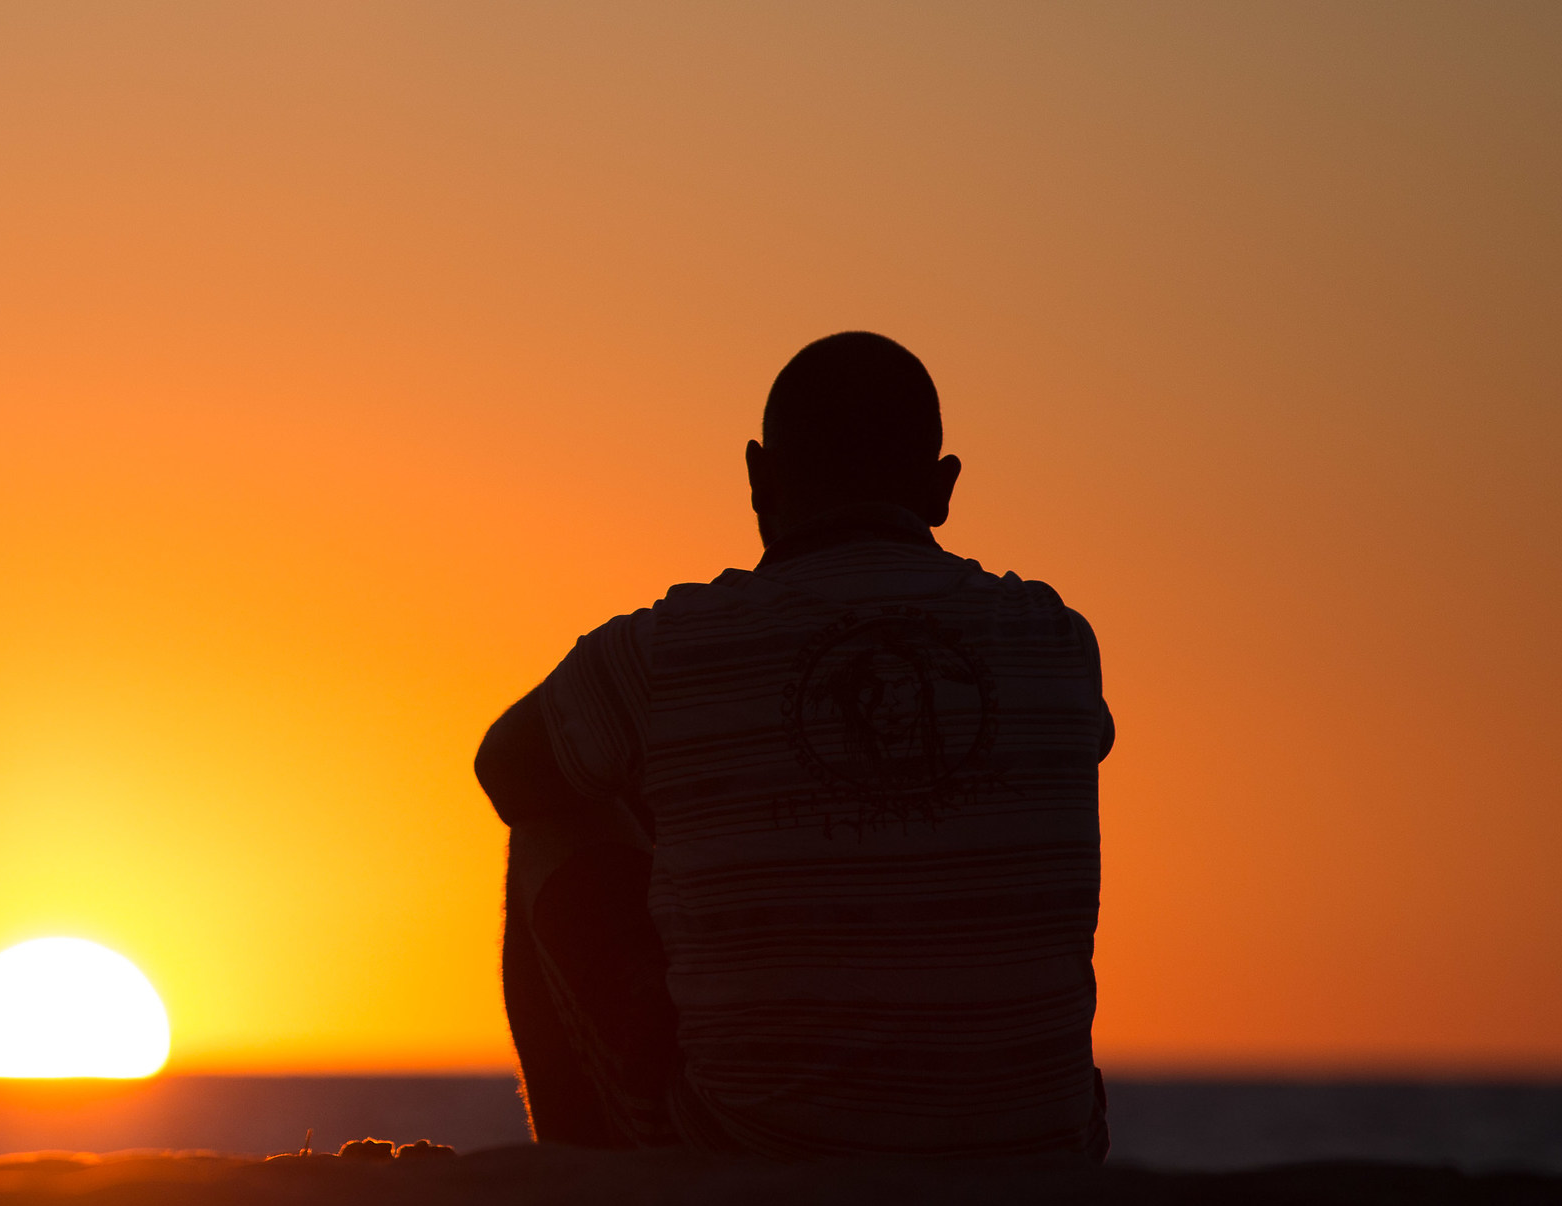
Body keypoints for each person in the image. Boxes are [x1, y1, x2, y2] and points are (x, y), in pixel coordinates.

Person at [475, 332, 1113, 1159]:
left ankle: (578, 1184)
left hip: (749, 1153)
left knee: (553, 818)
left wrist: (677, 810)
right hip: (1040, 1158)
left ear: (758, 477)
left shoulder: (669, 652)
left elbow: (506, 769)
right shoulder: (1055, 643)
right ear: (943, 488)